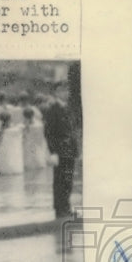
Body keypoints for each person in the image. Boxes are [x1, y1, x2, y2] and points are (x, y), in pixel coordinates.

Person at [42, 83, 78, 218]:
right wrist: (53, 152)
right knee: (60, 181)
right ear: (56, 93)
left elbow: (72, 130)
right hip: (60, 150)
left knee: (68, 180)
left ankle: (66, 207)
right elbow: (49, 132)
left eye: (67, 90)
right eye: (62, 90)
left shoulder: (68, 108)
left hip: (69, 150)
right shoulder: (53, 109)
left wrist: (75, 150)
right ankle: (59, 209)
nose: (66, 93)